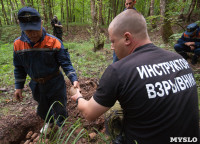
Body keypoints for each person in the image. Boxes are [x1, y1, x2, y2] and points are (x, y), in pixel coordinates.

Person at [71, 10, 199, 144]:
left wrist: (78, 96)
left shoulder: (118, 70)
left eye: (113, 41)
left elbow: (89, 113)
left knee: (113, 110)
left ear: (127, 38)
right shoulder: (179, 60)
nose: (112, 47)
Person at [14, 7, 80, 132]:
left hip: (55, 82)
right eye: (28, 30)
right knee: (43, 108)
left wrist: (73, 78)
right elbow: (19, 67)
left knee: (59, 106)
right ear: (21, 27)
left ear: (42, 23)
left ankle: (60, 126)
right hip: (36, 84)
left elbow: (65, 63)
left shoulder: (54, 42)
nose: (33, 34)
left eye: (35, 29)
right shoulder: (18, 45)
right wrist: (18, 86)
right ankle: (49, 123)